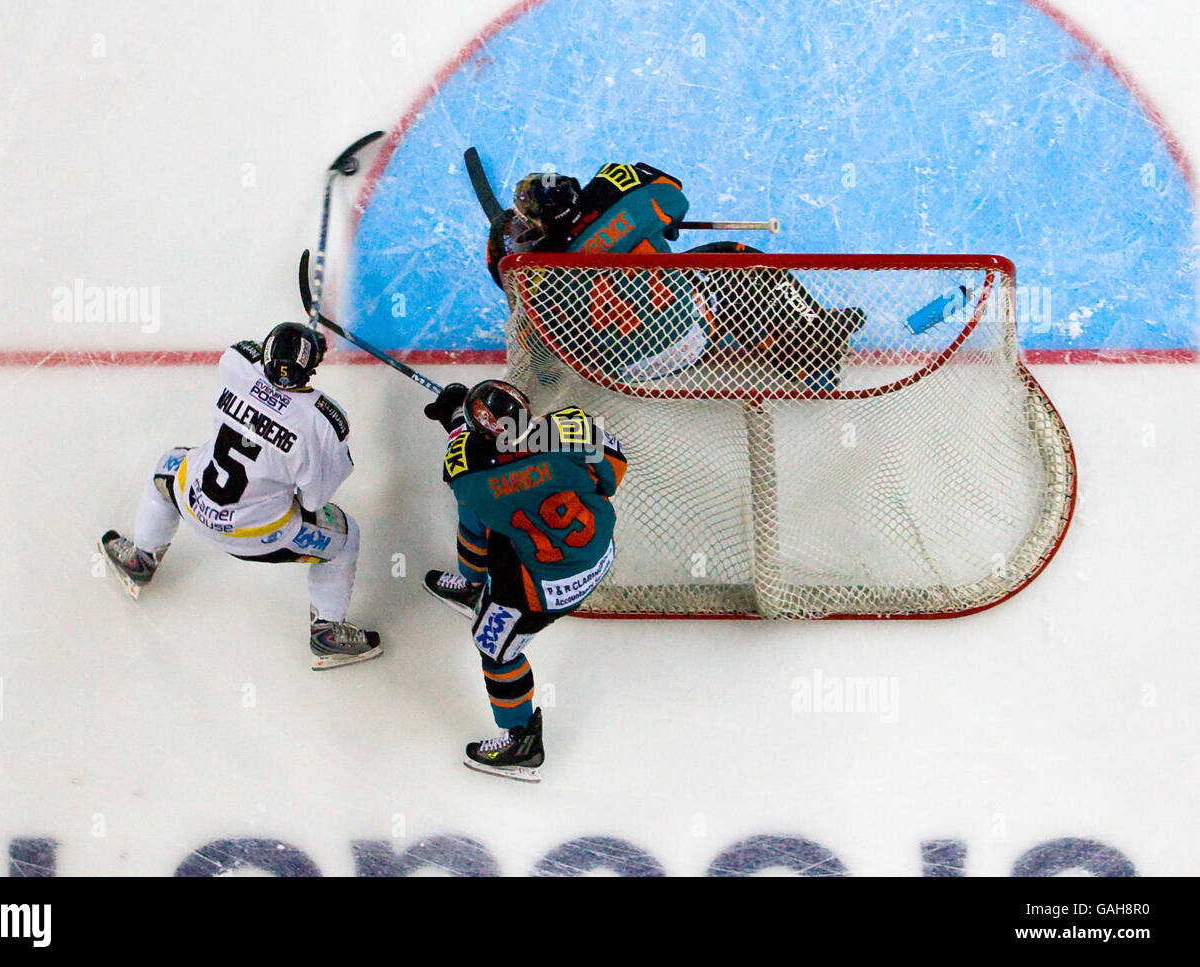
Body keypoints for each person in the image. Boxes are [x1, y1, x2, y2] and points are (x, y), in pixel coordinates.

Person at [97, 322, 381, 670]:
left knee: (167, 467)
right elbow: (313, 500)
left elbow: (247, 350)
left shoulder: (237, 365)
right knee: (346, 538)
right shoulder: (322, 422)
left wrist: (296, 346)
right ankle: (327, 632)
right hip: (255, 536)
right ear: (311, 368)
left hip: (191, 500)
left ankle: (141, 557)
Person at [487, 161, 866, 390]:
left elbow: (510, 290)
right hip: (686, 338)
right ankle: (810, 354)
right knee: (733, 263)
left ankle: (796, 344)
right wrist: (659, 224)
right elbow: (675, 193)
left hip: (613, 371)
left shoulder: (535, 272)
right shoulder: (624, 199)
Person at [421, 379, 627, 782]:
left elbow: (464, 464)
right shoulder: (572, 425)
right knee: (489, 522)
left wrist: (456, 417)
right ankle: (474, 588)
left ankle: (522, 742)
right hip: (597, 552)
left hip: (544, 588)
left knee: (493, 647)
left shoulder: (473, 480)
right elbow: (612, 475)